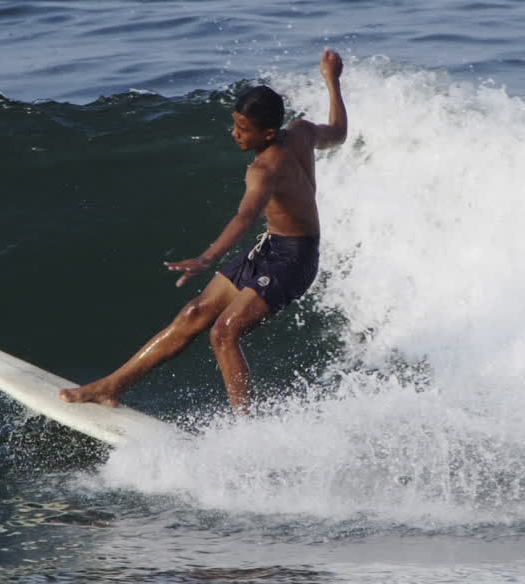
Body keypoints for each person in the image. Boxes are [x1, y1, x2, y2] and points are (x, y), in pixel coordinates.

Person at [60, 49, 349, 413]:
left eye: (244, 129)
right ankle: (110, 387)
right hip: (271, 248)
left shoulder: (264, 169)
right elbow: (338, 133)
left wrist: (206, 258)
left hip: (294, 259)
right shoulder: (304, 132)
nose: (235, 135)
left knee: (224, 332)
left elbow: (245, 217)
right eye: (235, 124)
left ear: (269, 132)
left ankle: (247, 432)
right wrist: (332, 82)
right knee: (194, 314)